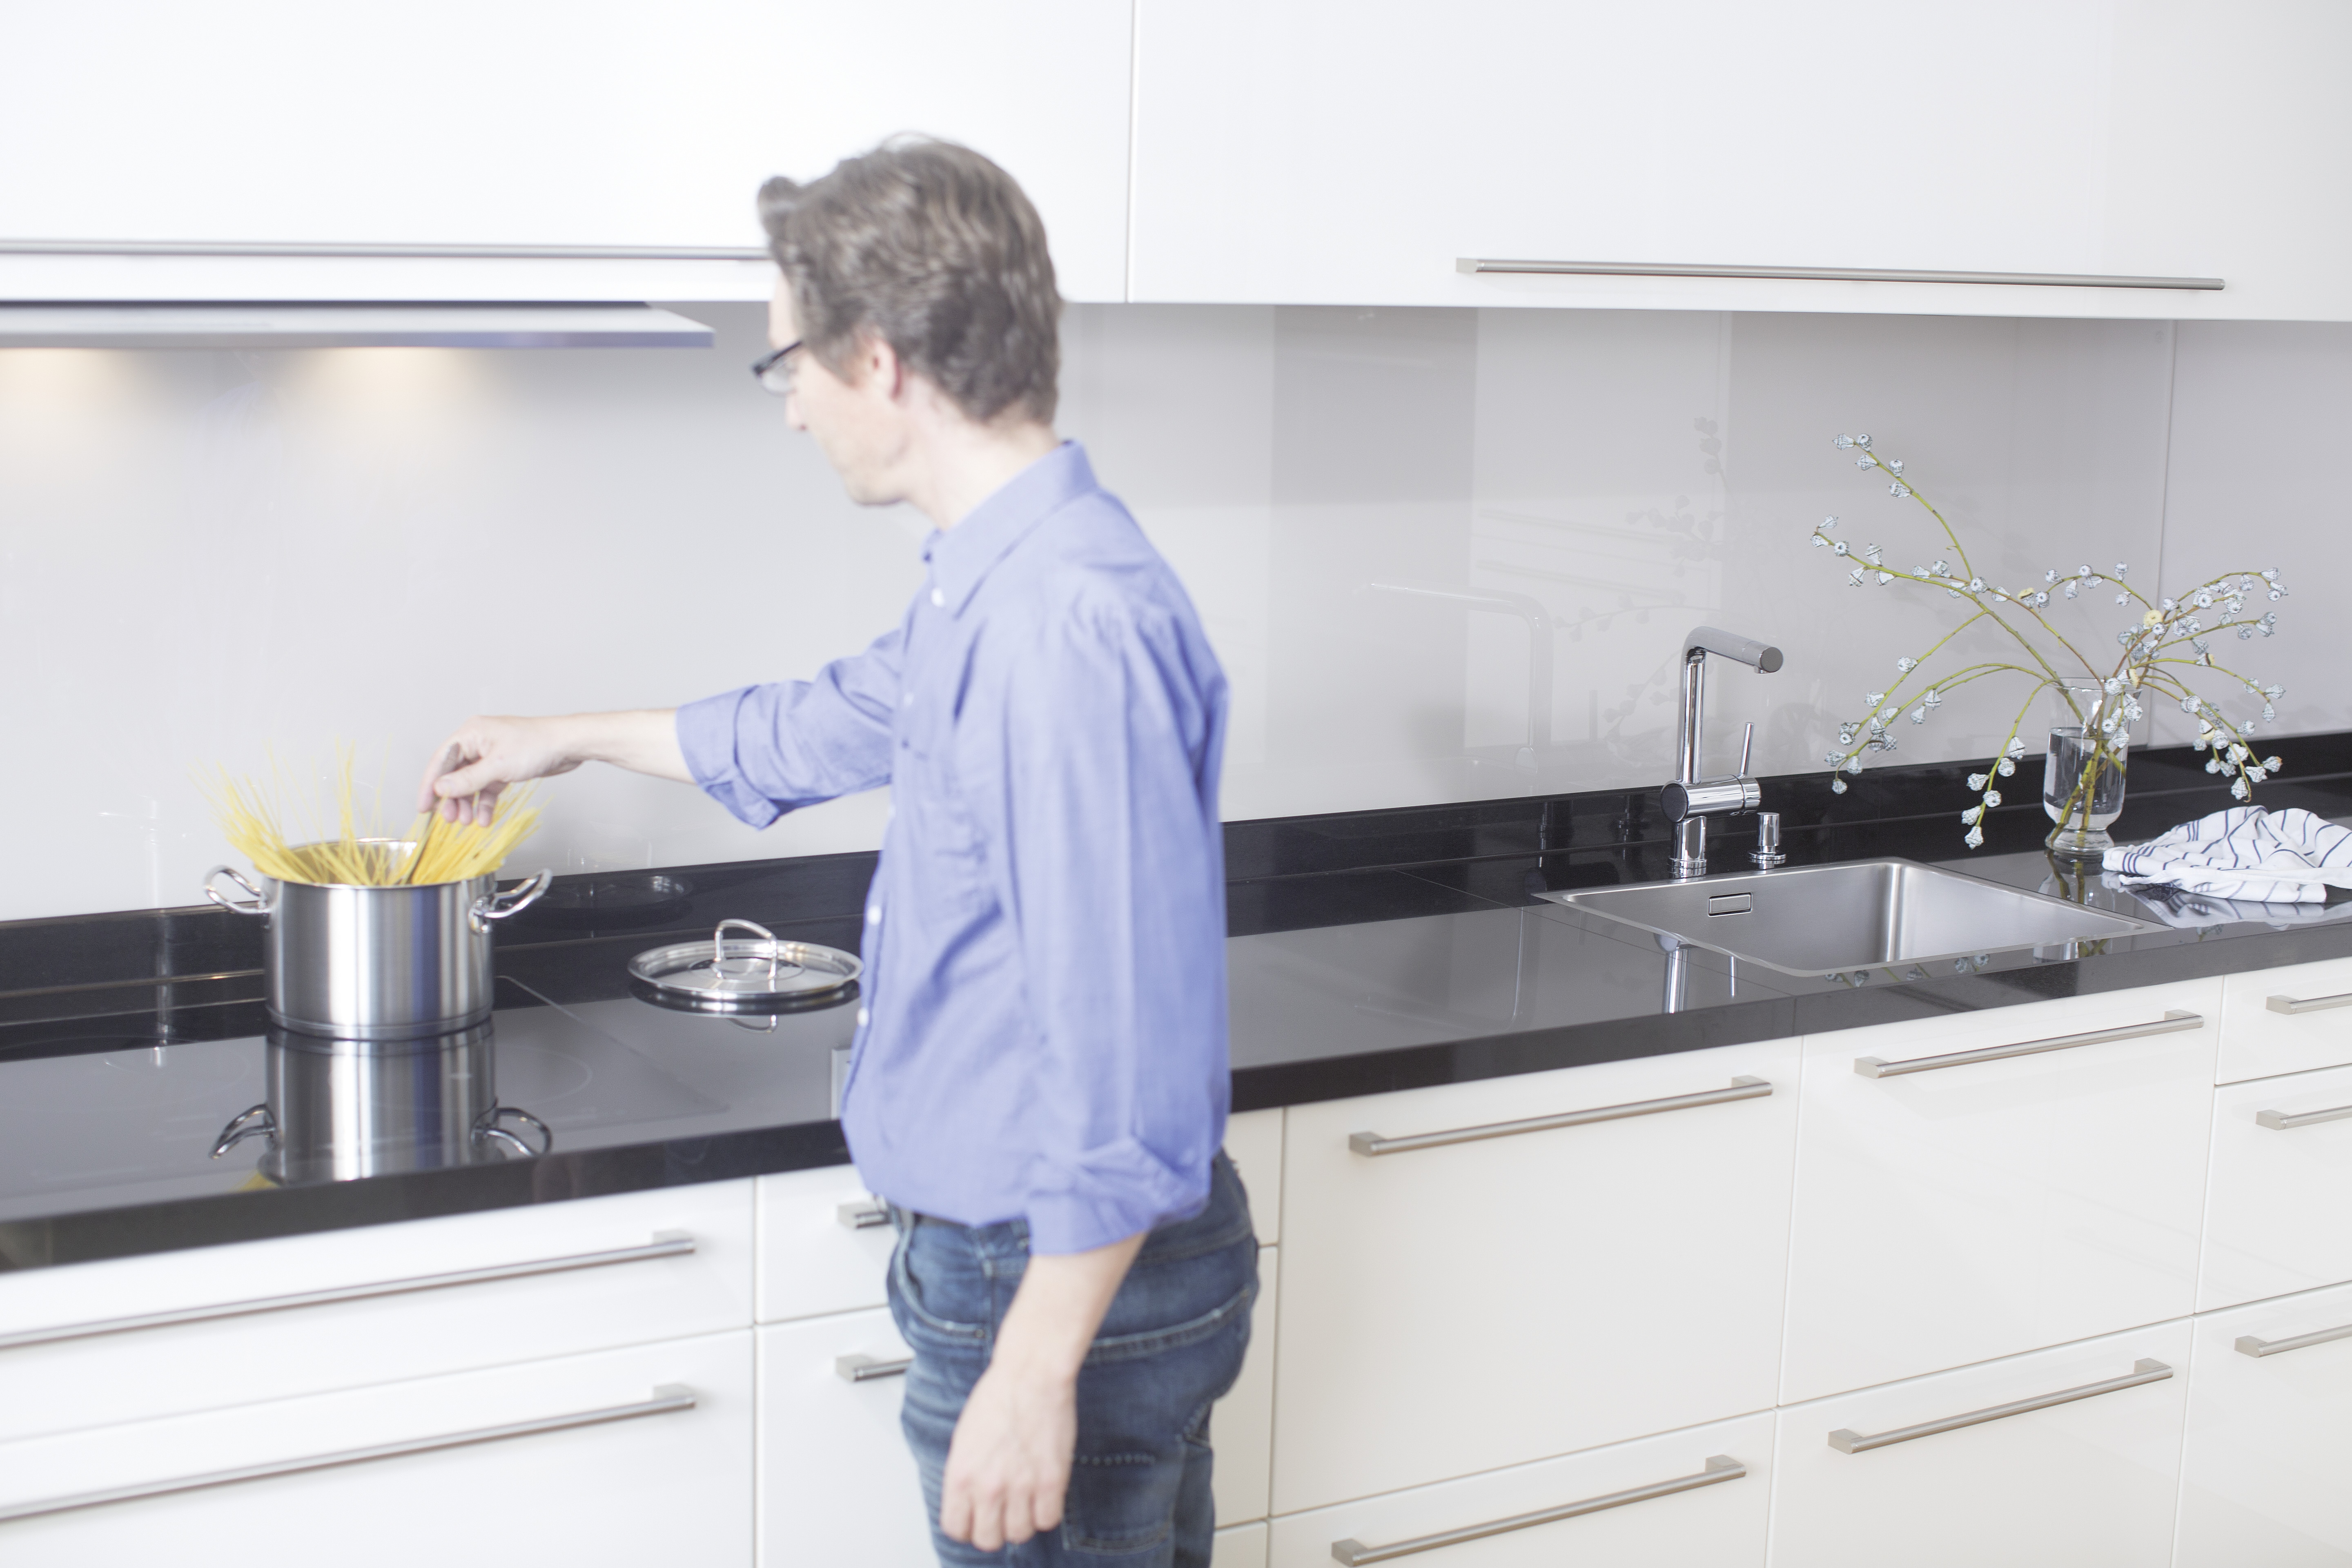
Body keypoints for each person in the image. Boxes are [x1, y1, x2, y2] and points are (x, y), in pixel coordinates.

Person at [416, 138, 1252, 1566]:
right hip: (1022, 1263)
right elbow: (828, 722)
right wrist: (568, 737)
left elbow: (1129, 1061)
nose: (792, 406)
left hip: (1050, 1276)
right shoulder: (998, 581)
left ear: (877, 359)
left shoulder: (1065, 628)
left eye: (788, 363)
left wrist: (1033, 1372)